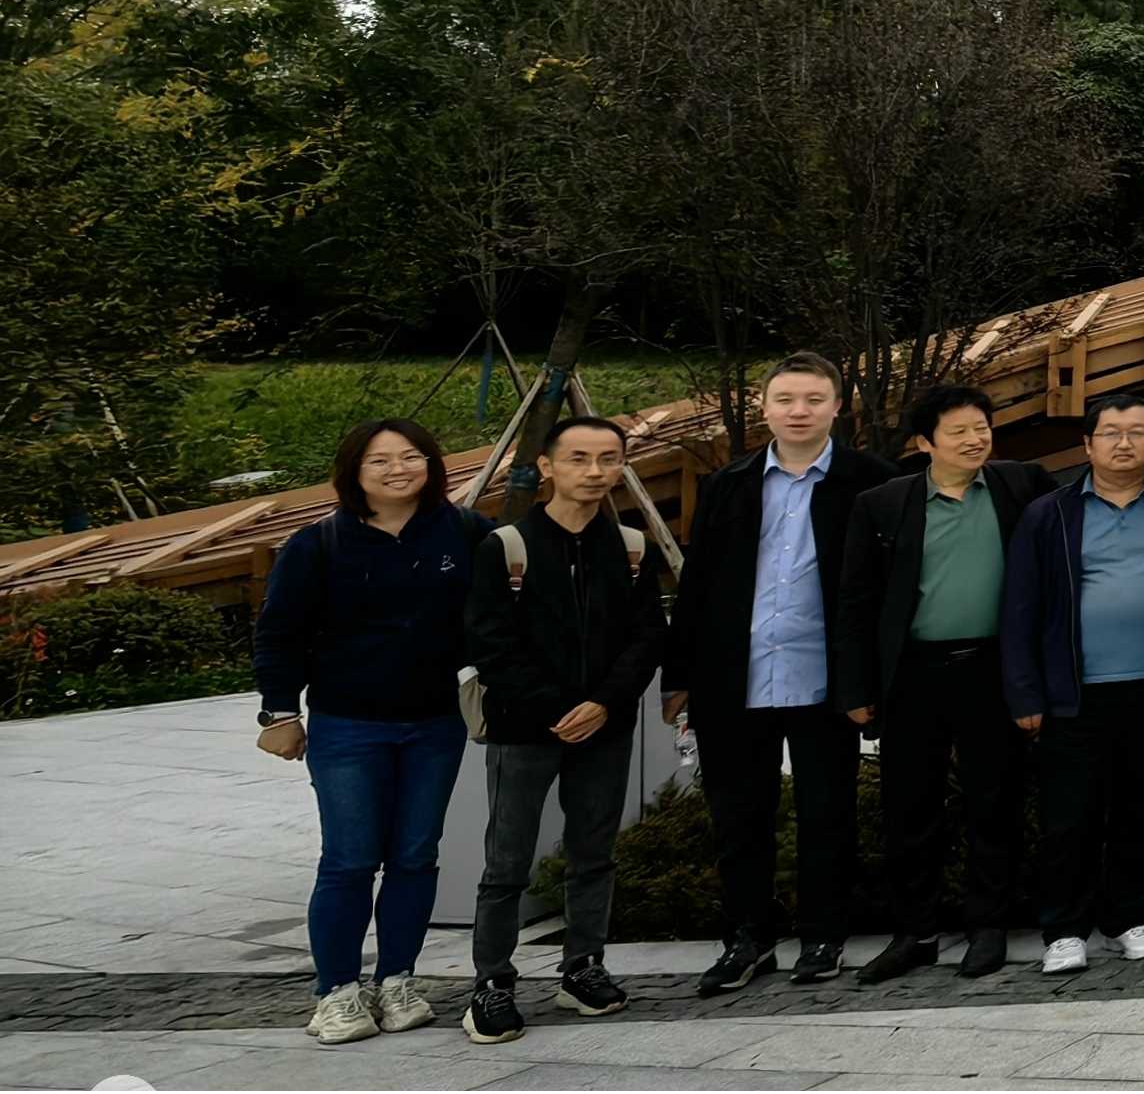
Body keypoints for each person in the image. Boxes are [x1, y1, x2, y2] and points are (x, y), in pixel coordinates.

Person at [254, 419, 492, 1045]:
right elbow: (280, 631)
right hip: (348, 724)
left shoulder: (467, 531)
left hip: (437, 723)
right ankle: (336, 992)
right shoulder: (319, 543)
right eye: (380, 460)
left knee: (415, 855)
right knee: (350, 859)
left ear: (431, 465)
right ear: (354, 472)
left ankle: (397, 981)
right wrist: (280, 713)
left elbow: (504, 610)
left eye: (411, 456)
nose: (397, 469)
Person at [668, 353, 896, 995]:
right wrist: (679, 675)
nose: (800, 411)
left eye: (815, 400)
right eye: (787, 399)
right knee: (738, 816)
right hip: (734, 681)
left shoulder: (872, 481)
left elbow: (888, 589)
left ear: (837, 408)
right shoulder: (728, 483)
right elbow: (698, 582)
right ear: (763, 408)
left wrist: (872, 680)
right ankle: (748, 938)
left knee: (828, 813)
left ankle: (824, 935)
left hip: (828, 683)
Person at [457, 416, 667, 1045]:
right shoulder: (506, 546)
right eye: (578, 458)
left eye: (608, 459)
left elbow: (646, 637)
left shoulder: (632, 546)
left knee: (594, 854)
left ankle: (583, 968)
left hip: (605, 727)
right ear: (547, 466)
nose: (594, 471)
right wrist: (556, 708)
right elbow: (490, 644)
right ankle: (492, 984)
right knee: (507, 861)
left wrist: (602, 703)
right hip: (524, 730)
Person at [835, 383, 1054, 982]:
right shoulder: (883, 504)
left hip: (993, 669)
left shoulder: (1022, 485)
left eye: (982, 427)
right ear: (924, 442)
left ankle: (989, 927)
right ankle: (916, 933)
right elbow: (856, 602)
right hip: (913, 674)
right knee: (910, 808)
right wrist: (856, 688)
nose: (975, 439)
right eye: (958, 431)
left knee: (995, 802)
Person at [1001, 394, 1144, 974]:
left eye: (1137, 431)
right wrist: (1026, 692)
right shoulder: (1049, 514)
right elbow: (1020, 608)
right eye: (1111, 432)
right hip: (1074, 694)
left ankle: (1125, 919)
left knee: (1141, 813)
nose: (1124, 442)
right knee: (1070, 820)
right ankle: (1064, 929)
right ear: (1087, 445)